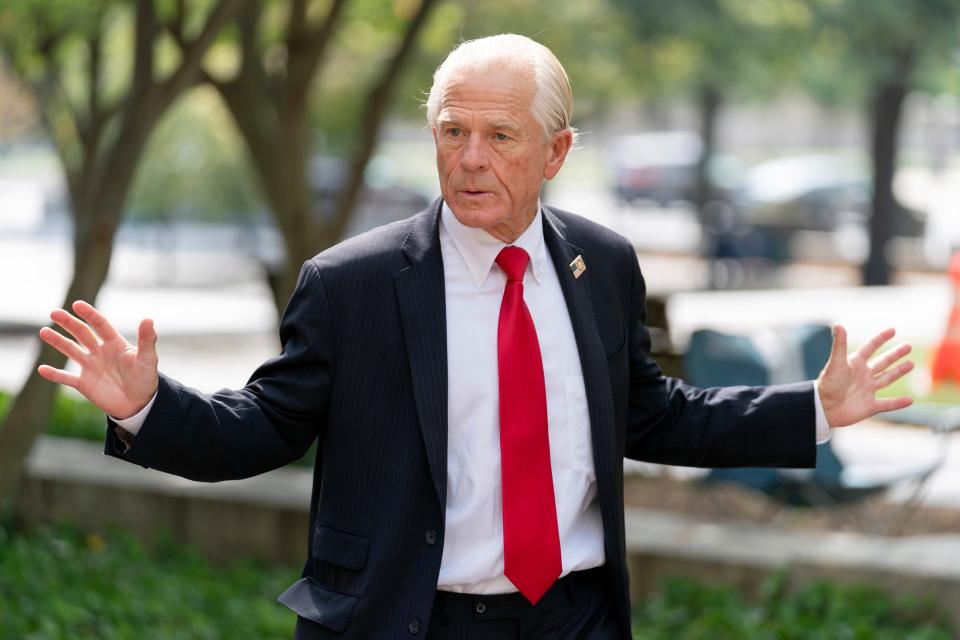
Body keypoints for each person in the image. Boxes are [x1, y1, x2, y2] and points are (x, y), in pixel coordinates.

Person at [38, 34, 913, 640]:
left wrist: (812, 412)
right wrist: (148, 408)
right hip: (411, 619)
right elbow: (264, 425)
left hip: (575, 616)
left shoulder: (601, 266)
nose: (470, 158)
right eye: (452, 132)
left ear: (557, 152)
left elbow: (651, 413)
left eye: (500, 136)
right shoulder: (354, 284)